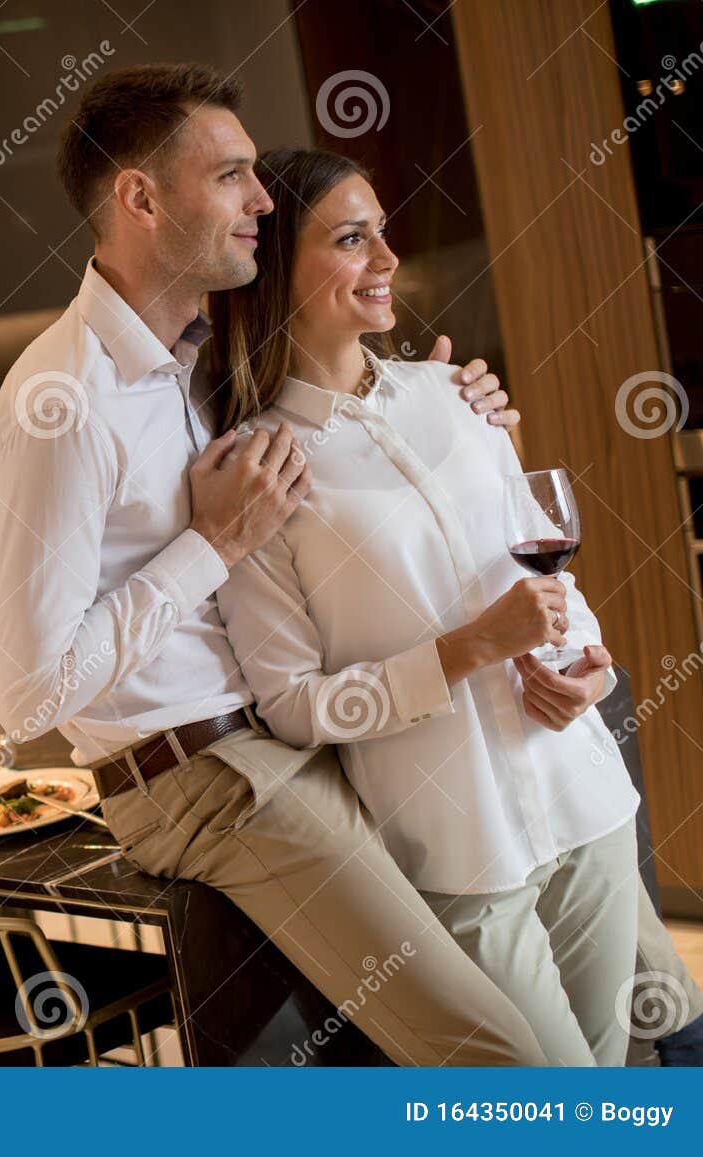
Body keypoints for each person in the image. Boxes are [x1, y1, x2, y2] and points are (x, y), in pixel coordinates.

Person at [0, 61, 703, 1066]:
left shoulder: (191, 366)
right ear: (140, 197)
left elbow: (331, 394)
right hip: (205, 765)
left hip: (289, 744)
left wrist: (446, 410)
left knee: (616, 996)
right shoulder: (61, 403)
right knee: (502, 1053)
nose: (259, 198)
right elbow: (26, 696)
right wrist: (213, 544)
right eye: (229, 175)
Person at [208, 144, 643, 1064]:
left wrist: (587, 667)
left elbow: (546, 572)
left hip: (582, 796)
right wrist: (467, 649)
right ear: (274, 268)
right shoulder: (259, 471)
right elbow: (294, 707)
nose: (387, 258)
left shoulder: (456, 395)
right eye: (351, 239)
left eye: (382, 233)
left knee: (611, 1081)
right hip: (458, 846)